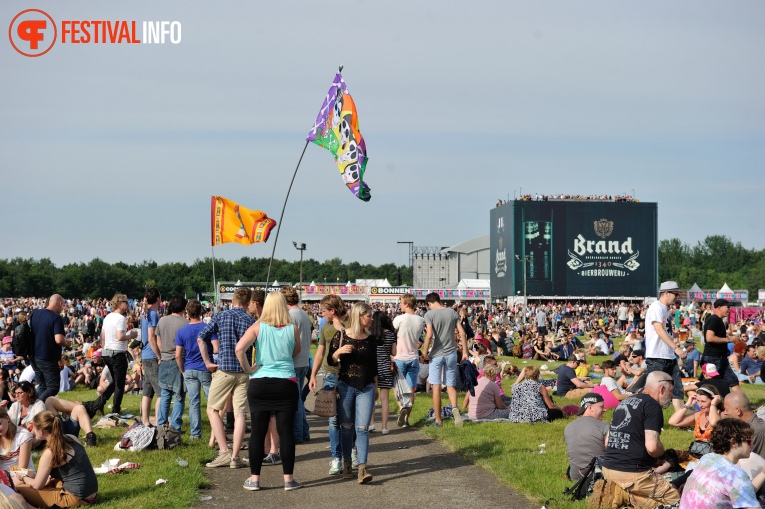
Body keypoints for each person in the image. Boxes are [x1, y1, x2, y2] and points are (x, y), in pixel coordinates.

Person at [235, 292, 302, 492]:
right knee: (286, 431)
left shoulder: (257, 327)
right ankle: (288, 479)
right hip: (285, 382)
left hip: (260, 382)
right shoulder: (293, 329)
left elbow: (239, 349)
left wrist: (249, 369)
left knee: (257, 431)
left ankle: (254, 479)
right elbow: (295, 351)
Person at [601, 371, 681, 508]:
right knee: (676, 500)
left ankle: (622, 495)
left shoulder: (624, 402)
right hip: (632, 473)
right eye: (671, 391)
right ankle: (624, 495)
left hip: (608, 468)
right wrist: (662, 456)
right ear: (661, 389)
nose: (672, 396)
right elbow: (652, 447)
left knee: (649, 499)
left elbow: (608, 442)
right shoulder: (652, 405)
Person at [198, 287, 257, 469]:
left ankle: (224, 450)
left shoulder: (221, 317)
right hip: (244, 371)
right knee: (240, 414)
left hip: (224, 369)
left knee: (212, 409)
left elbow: (201, 338)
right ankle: (235, 456)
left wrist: (207, 361)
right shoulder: (251, 320)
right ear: (248, 303)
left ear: (232, 300)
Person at [327, 302, 377, 484]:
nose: (371, 319)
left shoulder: (371, 339)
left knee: (362, 428)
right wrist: (337, 352)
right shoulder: (341, 336)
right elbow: (331, 361)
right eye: (368, 316)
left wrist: (375, 387)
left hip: (366, 387)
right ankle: (347, 463)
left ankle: (362, 467)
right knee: (346, 427)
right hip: (345, 386)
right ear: (359, 316)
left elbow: (374, 366)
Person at [14, 411, 98, 508]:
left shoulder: (49, 453)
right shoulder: (72, 438)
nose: (32, 431)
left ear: (41, 431)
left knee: (19, 488)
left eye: (33, 428)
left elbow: (37, 485)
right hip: (92, 494)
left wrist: (23, 477)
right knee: (50, 482)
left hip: (76, 498)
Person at [679, 418, 765, 509]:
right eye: (749, 441)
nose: (752, 445)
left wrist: (763, 473)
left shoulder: (708, 458)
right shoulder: (735, 474)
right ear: (733, 442)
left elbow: (741, 492)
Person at [307, 295, 346, 476]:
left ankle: (351, 453)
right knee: (333, 419)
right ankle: (336, 458)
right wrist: (313, 375)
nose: (321, 314)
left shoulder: (351, 324)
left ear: (333, 311)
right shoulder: (325, 326)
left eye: (323, 311)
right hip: (330, 375)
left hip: (349, 376)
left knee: (348, 418)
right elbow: (320, 351)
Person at [422, 293, 467, 428]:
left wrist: (424, 353)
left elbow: (429, 335)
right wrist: (464, 351)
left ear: (429, 303)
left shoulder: (429, 315)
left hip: (436, 354)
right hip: (452, 353)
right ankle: (454, 408)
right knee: (450, 385)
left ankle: (438, 419)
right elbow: (462, 333)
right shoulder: (452, 312)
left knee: (436, 386)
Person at [643, 281, 687, 411]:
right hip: (657, 356)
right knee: (653, 393)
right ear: (666, 293)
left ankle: (680, 421)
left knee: (677, 389)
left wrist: (673, 334)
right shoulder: (656, 307)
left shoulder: (664, 310)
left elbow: (663, 330)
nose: (677, 297)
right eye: (675, 294)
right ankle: (648, 419)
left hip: (667, 356)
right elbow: (658, 329)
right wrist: (676, 348)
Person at [174, 299, 212, 440]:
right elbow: (215, 348)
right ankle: (216, 431)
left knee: (194, 402)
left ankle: (195, 433)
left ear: (187, 314)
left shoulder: (182, 331)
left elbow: (178, 355)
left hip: (189, 368)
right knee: (212, 402)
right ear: (201, 312)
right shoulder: (207, 328)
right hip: (205, 367)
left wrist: (183, 370)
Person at [280, 286, 312, 444]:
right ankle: (304, 431)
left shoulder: (290, 316)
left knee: (296, 400)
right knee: (297, 397)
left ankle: (298, 434)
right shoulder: (303, 314)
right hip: (304, 359)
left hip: (294, 361)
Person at [100, 293, 138, 415]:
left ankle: (99, 403)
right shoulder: (121, 318)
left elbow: (102, 335)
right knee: (120, 384)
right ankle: (115, 410)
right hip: (117, 353)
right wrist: (131, 336)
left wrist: (105, 347)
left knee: (115, 382)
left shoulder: (107, 317)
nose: (128, 304)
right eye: (126, 302)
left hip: (107, 352)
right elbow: (120, 336)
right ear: (120, 303)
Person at [156, 295, 189, 434]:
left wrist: (161, 354)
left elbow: (158, 340)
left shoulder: (162, 321)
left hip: (164, 359)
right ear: (184, 307)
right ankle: (175, 426)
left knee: (165, 394)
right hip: (179, 360)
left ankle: (161, 424)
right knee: (179, 394)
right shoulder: (185, 323)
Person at [30, 295, 71, 402]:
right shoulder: (56, 317)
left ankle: (40, 414)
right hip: (47, 357)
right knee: (53, 387)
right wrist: (67, 343)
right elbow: (59, 340)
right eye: (63, 306)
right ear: (60, 304)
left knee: (43, 386)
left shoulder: (35, 313)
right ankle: (35, 409)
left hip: (34, 355)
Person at [392, 293, 424, 428]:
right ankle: (406, 419)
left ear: (406, 304)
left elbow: (393, 334)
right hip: (413, 357)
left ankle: (401, 408)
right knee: (411, 390)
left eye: (401, 303)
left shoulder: (399, 319)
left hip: (400, 357)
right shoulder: (420, 320)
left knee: (398, 388)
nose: (400, 305)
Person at [564, 393, 609, 480]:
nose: (605, 410)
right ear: (590, 407)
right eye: (601, 407)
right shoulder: (604, 426)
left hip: (576, 477)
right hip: (598, 477)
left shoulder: (568, 427)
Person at [701, 298, 741, 393]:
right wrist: (728, 339)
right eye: (727, 307)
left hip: (721, 357)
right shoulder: (714, 319)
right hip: (712, 357)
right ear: (719, 307)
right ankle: (698, 402)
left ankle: (740, 403)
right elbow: (709, 338)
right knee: (708, 384)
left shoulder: (718, 320)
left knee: (733, 381)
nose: (729, 309)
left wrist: (729, 337)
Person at [668, 384, 722, 450]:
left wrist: (713, 405)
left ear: (713, 399)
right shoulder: (698, 415)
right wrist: (688, 404)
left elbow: (714, 423)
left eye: (703, 401)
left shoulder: (721, 414)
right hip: (697, 452)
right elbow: (673, 422)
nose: (700, 405)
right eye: (698, 401)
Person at [140, 288, 162, 427]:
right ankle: (160, 422)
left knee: (147, 390)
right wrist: (159, 355)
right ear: (158, 299)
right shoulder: (153, 314)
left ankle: (145, 421)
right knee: (161, 392)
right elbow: (151, 338)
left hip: (145, 354)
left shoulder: (145, 313)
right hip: (151, 355)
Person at [370, 312, 395, 434]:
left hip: (373, 369)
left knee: (372, 398)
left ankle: (371, 423)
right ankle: (385, 427)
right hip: (386, 368)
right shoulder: (391, 335)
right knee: (385, 399)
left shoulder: (371, 335)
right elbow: (394, 352)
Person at [724, 391, 765, 459]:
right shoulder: (749, 427)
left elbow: (745, 460)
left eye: (726, 409)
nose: (725, 413)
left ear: (738, 411)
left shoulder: (754, 431)